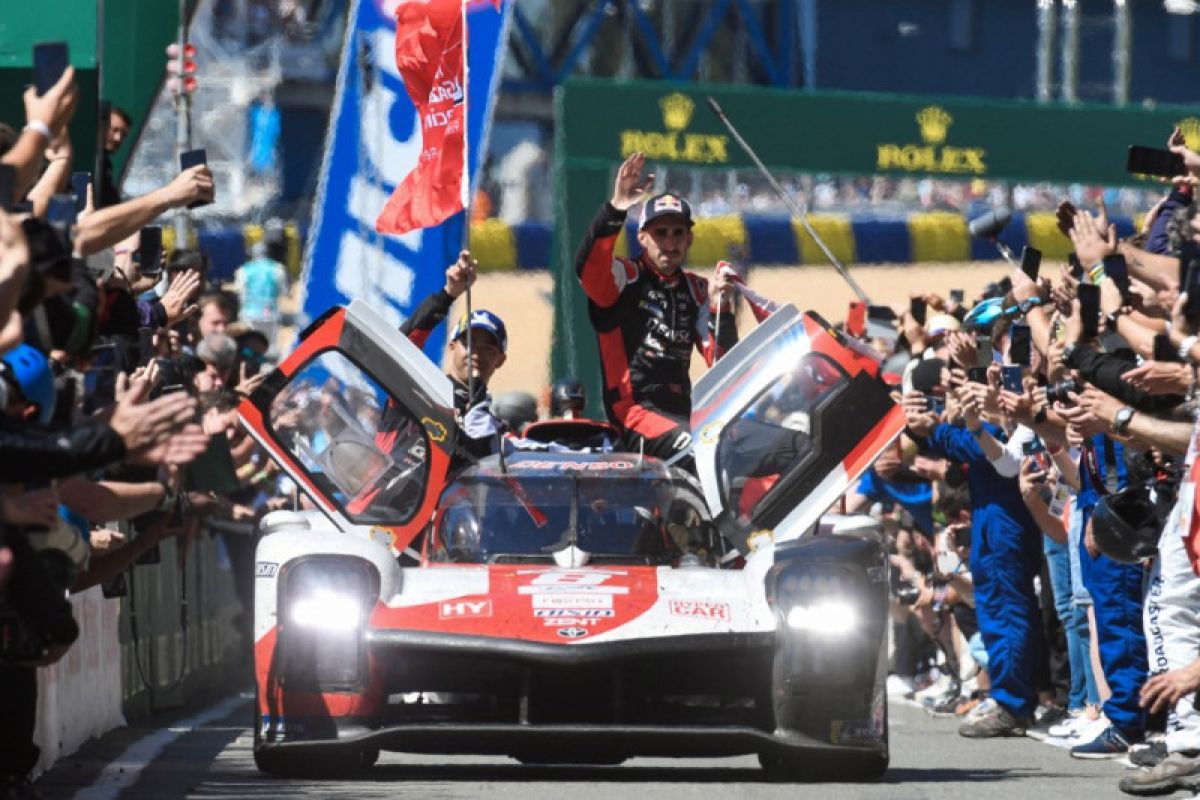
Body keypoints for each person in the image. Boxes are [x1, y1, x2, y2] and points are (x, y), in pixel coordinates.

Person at [574, 151, 737, 461]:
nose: (670, 243)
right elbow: (587, 270)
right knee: (702, 452)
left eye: (678, 234)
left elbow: (724, 365)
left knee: (776, 447)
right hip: (634, 414)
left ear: (689, 240)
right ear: (643, 237)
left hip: (687, 415)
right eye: (660, 233)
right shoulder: (624, 279)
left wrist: (721, 307)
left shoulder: (698, 289)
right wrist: (616, 208)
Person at [397, 251, 507, 463]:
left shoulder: (495, 430)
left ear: (501, 360)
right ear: (452, 346)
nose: (477, 353)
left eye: (488, 349)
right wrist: (448, 294)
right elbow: (400, 347)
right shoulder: (420, 394)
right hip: (390, 493)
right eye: (469, 343)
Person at [233, 240, 287, 346]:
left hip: (249, 312)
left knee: (249, 342)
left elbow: (239, 291)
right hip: (270, 312)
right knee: (270, 343)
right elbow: (283, 291)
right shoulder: (278, 268)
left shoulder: (244, 270)